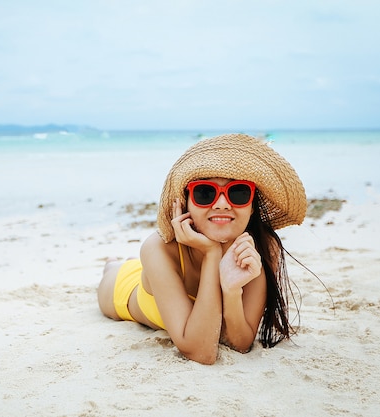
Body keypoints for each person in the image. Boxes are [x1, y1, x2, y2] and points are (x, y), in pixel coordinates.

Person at [97, 133, 307, 365]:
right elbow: (202, 352)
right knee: (113, 270)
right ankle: (114, 264)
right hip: (123, 289)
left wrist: (232, 291)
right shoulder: (158, 248)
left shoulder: (262, 247)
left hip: (161, 274)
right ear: (184, 202)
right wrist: (211, 254)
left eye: (238, 192)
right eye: (204, 193)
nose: (222, 203)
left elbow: (241, 343)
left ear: (252, 205)